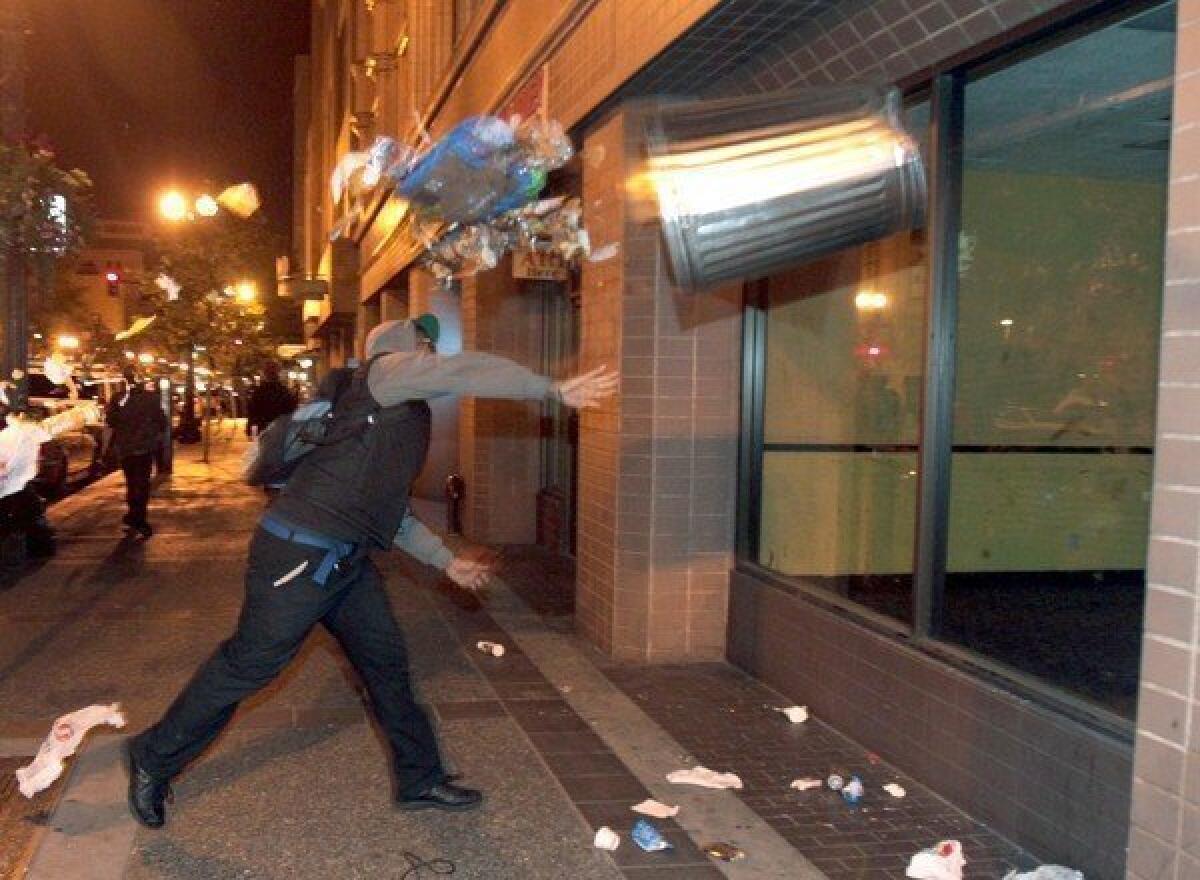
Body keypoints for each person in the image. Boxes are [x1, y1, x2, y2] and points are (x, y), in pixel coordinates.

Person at [126, 316, 618, 828]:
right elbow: (465, 369)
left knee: (387, 667)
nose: (430, 350)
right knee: (248, 666)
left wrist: (448, 561)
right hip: (297, 555)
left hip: (346, 561)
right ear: (403, 347)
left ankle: (419, 778)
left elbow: (394, 516)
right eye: (424, 342)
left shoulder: (392, 418)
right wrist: (551, 389)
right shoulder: (386, 375)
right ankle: (152, 757)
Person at [106, 368, 167, 539]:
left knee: (131, 483)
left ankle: (134, 515)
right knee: (143, 483)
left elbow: (111, 421)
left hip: (126, 448)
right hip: (145, 447)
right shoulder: (151, 399)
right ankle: (139, 517)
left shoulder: (118, 399)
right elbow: (162, 422)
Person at [245, 362, 297, 438]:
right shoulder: (284, 391)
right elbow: (292, 411)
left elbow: (252, 412)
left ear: (265, 374)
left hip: (265, 430)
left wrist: (250, 430)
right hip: (280, 431)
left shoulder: (259, 392)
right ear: (278, 373)